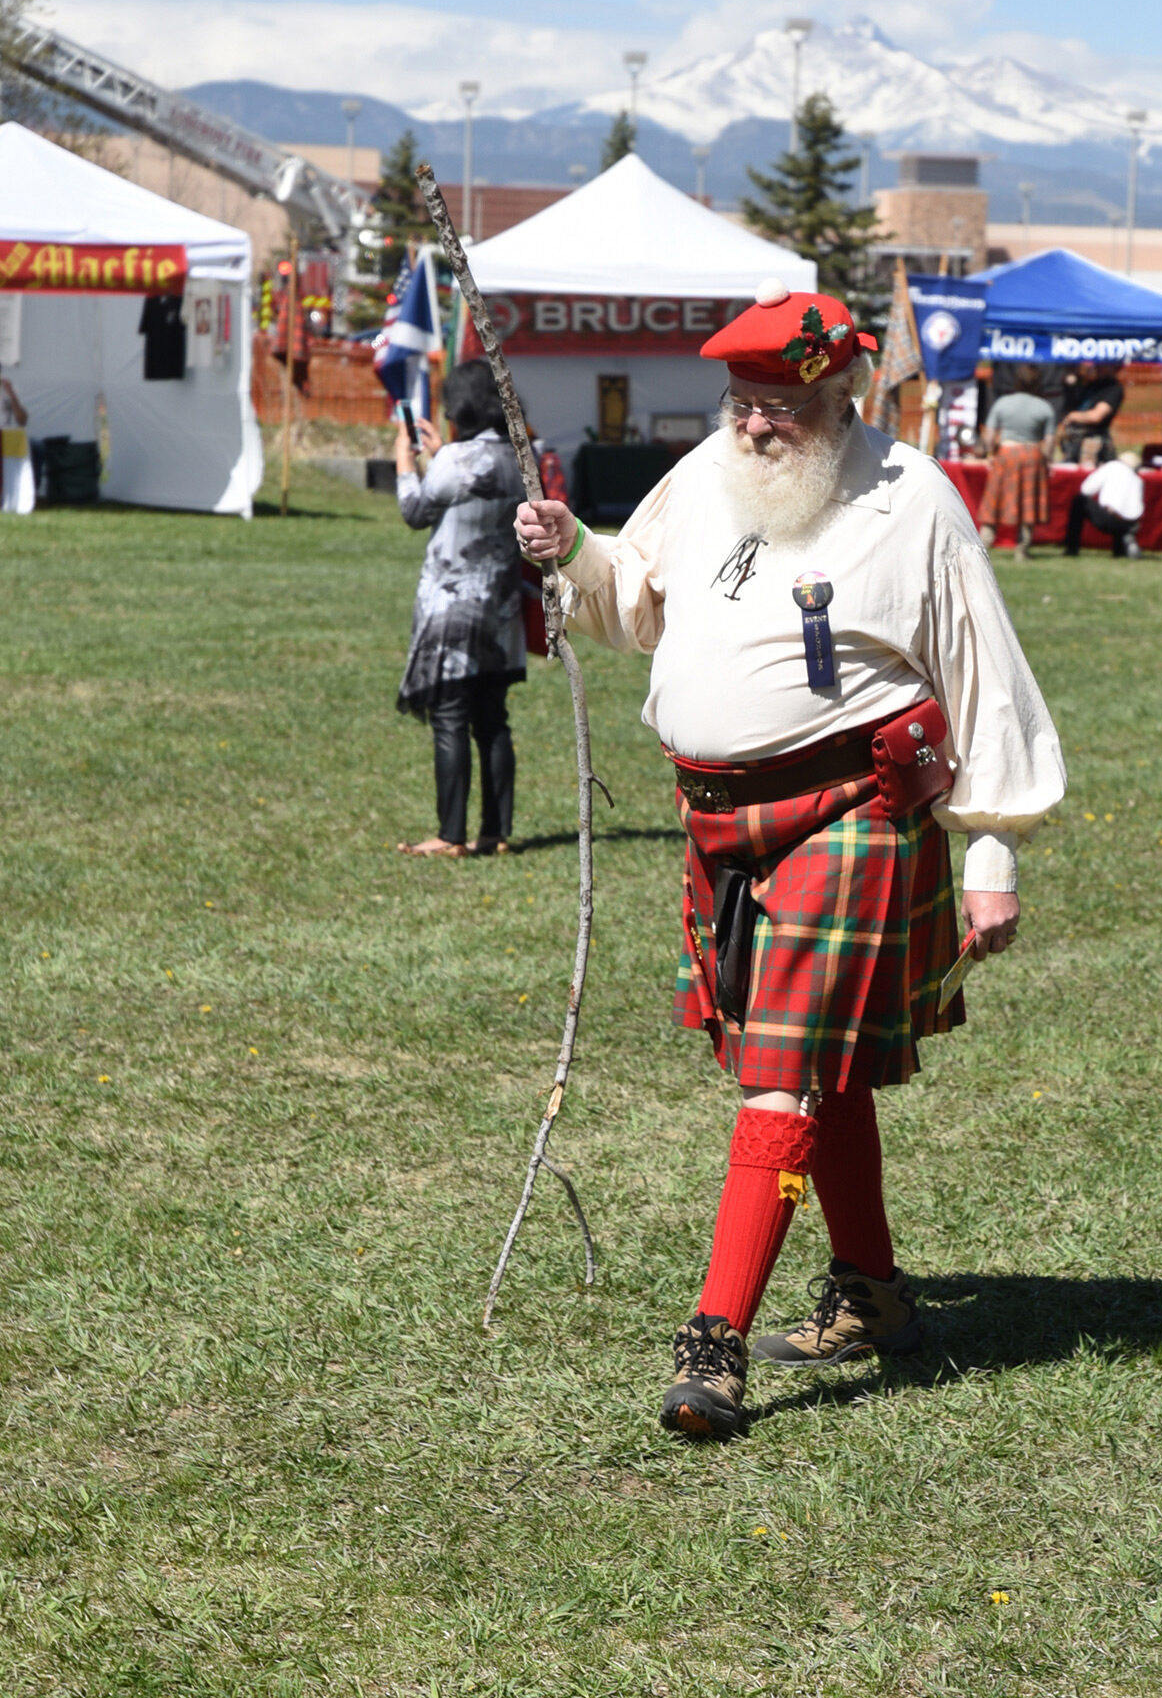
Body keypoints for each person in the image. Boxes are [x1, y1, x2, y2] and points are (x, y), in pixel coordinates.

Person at [515, 279, 1066, 1439]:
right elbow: (632, 602)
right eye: (743, 400)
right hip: (718, 822)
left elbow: (981, 666)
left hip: (850, 811)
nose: (757, 424)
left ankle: (713, 1344)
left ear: (842, 396)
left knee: (786, 1071)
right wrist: (575, 549)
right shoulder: (708, 478)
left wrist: (995, 847)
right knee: (827, 1066)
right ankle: (872, 1293)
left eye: (782, 405)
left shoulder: (912, 496)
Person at [395, 360, 527, 858]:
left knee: (450, 718)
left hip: (451, 609)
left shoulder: (454, 459)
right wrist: (439, 454)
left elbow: (415, 511)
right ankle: (494, 833)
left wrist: (406, 463)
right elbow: (469, 481)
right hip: (500, 611)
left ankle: (450, 835)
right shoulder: (520, 456)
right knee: (492, 719)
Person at [977, 364, 1054, 561]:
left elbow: (990, 435)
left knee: (994, 501)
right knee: (1028, 503)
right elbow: (1050, 442)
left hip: (1006, 453)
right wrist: (1048, 461)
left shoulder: (1003, 403)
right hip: (1032, 455)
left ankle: (984, 543)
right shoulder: (1045, 407)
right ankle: (1022, 548)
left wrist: (989, 453)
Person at [1064, 446, 1145, 558]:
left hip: (1109, 518)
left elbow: (1086, 490)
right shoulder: (1138, 480)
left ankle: (1072, 548)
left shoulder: (1111, 467)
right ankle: (1123, 544)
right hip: (1132, 524)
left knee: (1079, 501)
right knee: (1120, 512)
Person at [1057, 359, 1124, 464]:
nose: (1096, 367)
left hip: (1094, 444)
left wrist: (1072, 416)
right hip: (1073, 444)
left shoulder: (1113, 388)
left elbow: (1096, 416)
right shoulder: (1087, 384)